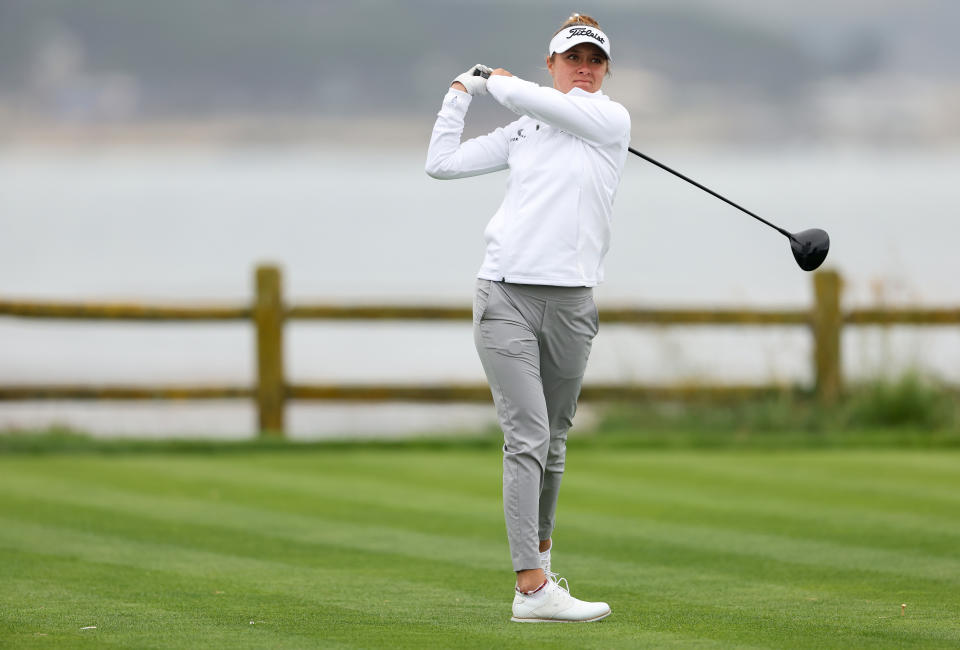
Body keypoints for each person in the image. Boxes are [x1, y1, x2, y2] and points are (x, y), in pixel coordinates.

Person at [425, 13, 630, 623]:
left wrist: (499, 80)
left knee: (557, 439)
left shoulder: (610, 121)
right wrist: (460, 92)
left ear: (606, 71)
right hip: (505, 296)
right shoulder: (524, 131)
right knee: (529, 435)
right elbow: (441, 162)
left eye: (595, 61)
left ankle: (543, 564)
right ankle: (532, 588)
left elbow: (536, 99)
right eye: (574, 60)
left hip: (572, 303)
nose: (585, 70)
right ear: (554, 64)